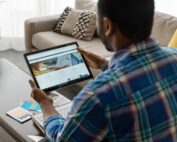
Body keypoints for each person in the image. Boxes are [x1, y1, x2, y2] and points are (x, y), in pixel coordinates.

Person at [29, 0, 177, 141]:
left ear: (107, 25)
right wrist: (105, 65)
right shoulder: (174, 56)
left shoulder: (97, 96)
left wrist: (45, 103)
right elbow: (141, 75)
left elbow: (62, 139)